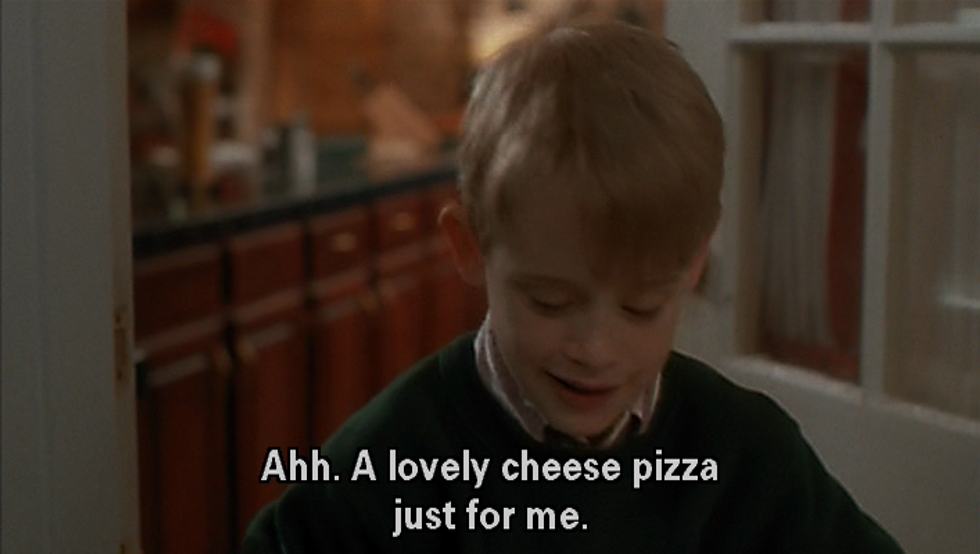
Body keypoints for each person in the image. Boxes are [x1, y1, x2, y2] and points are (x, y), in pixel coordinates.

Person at [243, 20, 904, 553]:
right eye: (550, 302)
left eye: (641, 306)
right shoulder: (384, 469)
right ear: (469, 246)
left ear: (694, 265)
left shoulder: (748, 460)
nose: (595, 348)